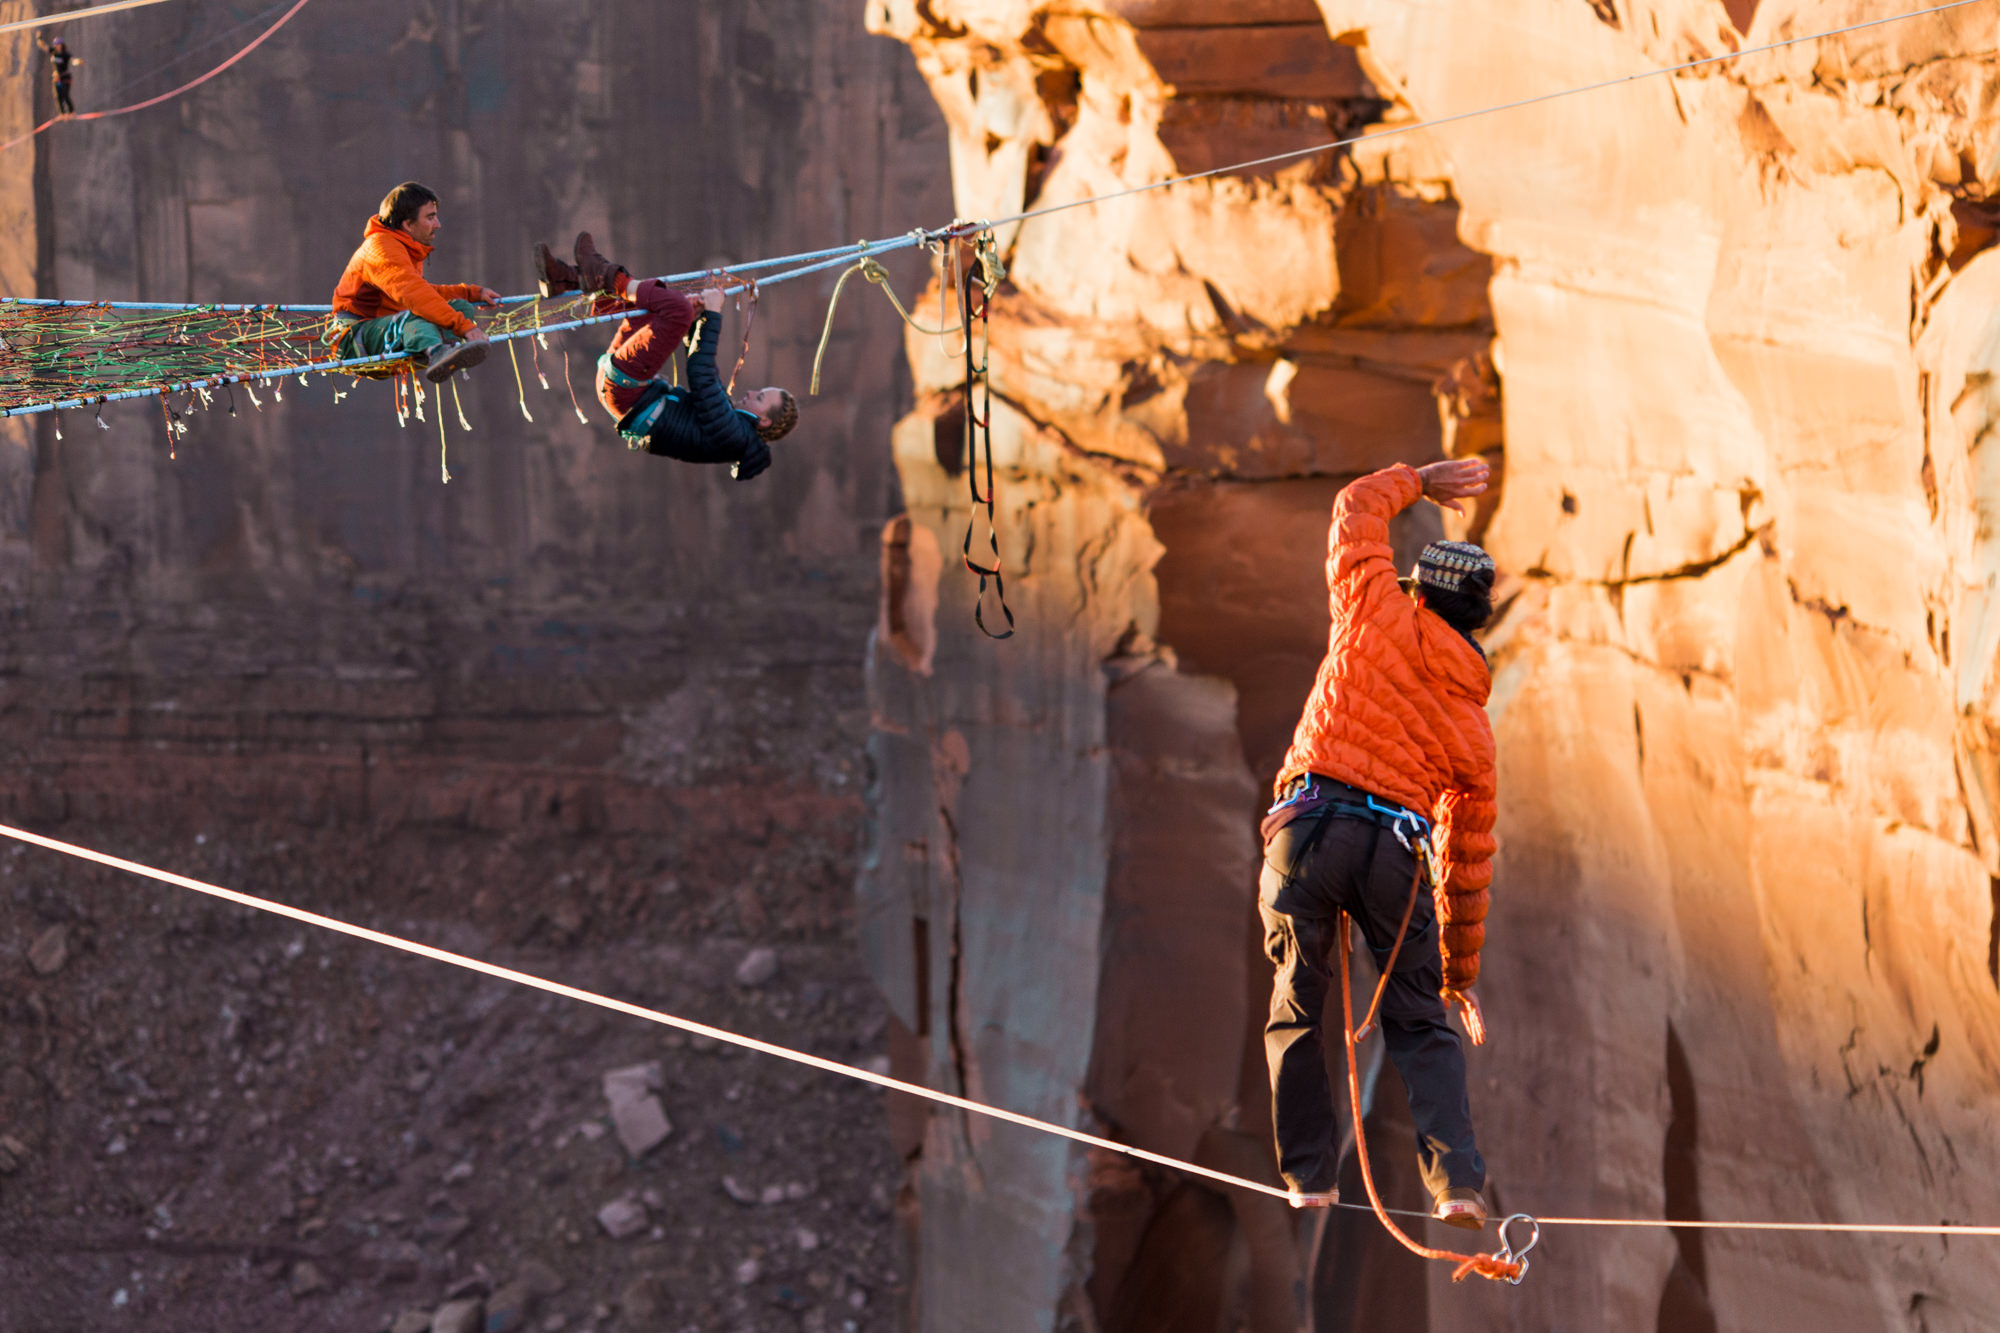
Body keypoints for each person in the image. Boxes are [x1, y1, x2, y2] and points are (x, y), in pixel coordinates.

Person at [1258, 457, 1499, 1229]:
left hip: (1307, 825)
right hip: (1394, 850)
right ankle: (1456, 1185)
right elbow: (1465, 864)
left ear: (1419, 588)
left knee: (1300, 999)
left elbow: (1355, 507)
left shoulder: (1370, 605)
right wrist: (1457, 977)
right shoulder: (1474, 724)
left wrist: (1420, 480)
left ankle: (1308, 1178)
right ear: (1476, 618)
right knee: (1418, 1019)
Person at [534, 233, 797, 479]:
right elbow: (707, 372)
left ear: (764, 420)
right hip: (628, 387)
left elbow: (701, 373)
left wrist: (713, 315)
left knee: (677, 309)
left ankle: (601, 275)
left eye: (760, 397)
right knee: (659, 305)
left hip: (627, 392)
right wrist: (694, 324)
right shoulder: (732, 428)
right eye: (759, 391)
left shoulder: (732, 436)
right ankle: (566, 280)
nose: (751, 392)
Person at [328, 182, 501, 383]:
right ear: (408, 224)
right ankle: (437, 352)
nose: (438, 224)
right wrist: (466, 328)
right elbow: (416, 295)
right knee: (417, 315)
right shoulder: (381, 248)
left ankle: (446, 351)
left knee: (460, 307)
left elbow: (424, 292)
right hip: (353, 342)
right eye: (430, 217)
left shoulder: (404, 247)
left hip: (388, 330)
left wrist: (472, 294)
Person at [38, 34, 80, 116]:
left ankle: (71, 112)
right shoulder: (53, 52)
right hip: (57, 78)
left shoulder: (65, 54)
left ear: (62, 45)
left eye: (58, 44)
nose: (57, 46)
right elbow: (44, 46)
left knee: (65, 94)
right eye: (56, 44)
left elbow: (73, 60)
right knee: (58, 96)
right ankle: (62, 113)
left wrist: (78, 61)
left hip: (65, 77)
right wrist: (39, 38)